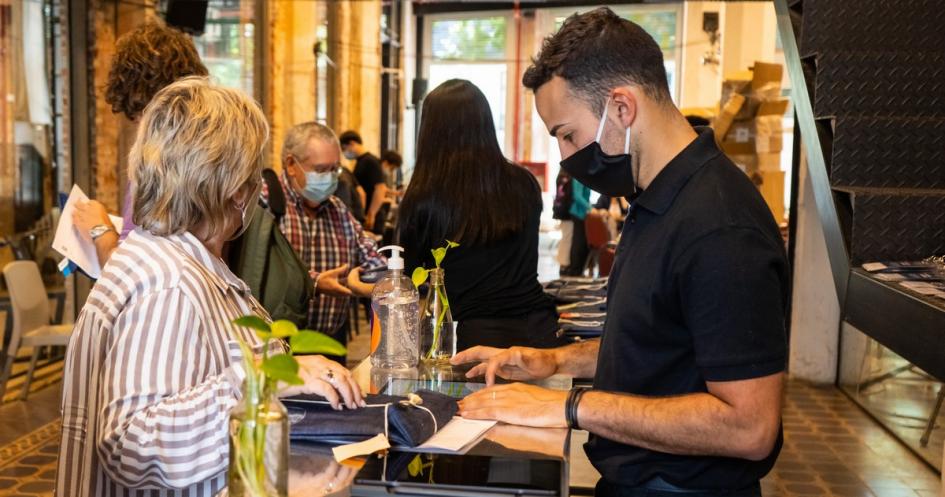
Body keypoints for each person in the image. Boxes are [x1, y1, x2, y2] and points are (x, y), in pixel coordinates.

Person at [453, 8, 788, 497]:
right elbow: (659, 343)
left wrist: (567, 407)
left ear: (622, 108)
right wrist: (555, 362)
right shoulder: (654, 199)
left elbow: (749, 427)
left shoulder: (719, 228)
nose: (567, 156)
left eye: (567, 134)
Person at [57, 78, 363, 497]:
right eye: (255, 175)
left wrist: (290, 369)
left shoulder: (187, 260)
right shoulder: (169, 283)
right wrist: (266, 380)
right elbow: (133, 446)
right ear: (236, 191)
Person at [397, 79, 563, 351]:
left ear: (430, 132)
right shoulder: (524, 183)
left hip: (468, 342)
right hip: (536, 331)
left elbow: (410, 281)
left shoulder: (424, 197)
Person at [71, 21, 208, 268]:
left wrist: (99, 229)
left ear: (135, 93)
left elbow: (131, 270)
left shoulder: (160, 161)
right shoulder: (206, 150)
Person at [269, 122, 385, 356]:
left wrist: (375, 278)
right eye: (321, 170)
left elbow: (371, 257)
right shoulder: (266, 203)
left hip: (329, 344)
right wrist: (313, 282)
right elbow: (263, 272)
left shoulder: (337, 209)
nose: (330, 178)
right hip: (278, 350)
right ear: (292, 165)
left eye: (335, 169)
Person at [339, 130, 389, 234]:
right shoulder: (360, 161)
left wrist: (371, 215)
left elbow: (380, 189)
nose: (344, 153)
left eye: (344, 148)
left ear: (352, 143)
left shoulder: (370, 161)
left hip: (373, 217)